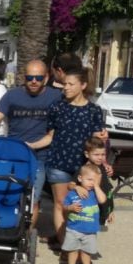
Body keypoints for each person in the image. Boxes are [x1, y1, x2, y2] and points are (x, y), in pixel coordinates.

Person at [0, 59, 63, 228]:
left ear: (46, 78)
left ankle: (24, 237)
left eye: (38, 78)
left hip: (40, 156)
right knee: (8, 193)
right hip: (13, 155)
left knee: (33, 198)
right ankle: (6, 228)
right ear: (24, 77)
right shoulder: (12, 95)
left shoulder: (55, 96)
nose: (33, 81)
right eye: (30, 77)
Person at [34, 66, 105, 245]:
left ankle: (76, 243)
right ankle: (66, 249)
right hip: (58, 163)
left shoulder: (94, 111)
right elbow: (50, 136)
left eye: (70, 84)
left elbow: (97, 142)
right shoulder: (57, 107)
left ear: (83, 85)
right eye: (64, 84)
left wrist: (103, 161)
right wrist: (30, 145)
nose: (66, 87)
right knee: (61, 203)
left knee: (81, 206)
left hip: (82, 168)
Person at [60, 163, 105, 264]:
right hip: (74, 228)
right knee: (72, 249)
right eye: (89, 180)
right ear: (80, 178)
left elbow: (103, 200)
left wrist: (97, 186)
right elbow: (64, 206)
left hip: (89, 230)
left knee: (87, 251)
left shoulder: (95, 193)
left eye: (95, 180)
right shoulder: (73, 193)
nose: (92, 183)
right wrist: (70, 208)